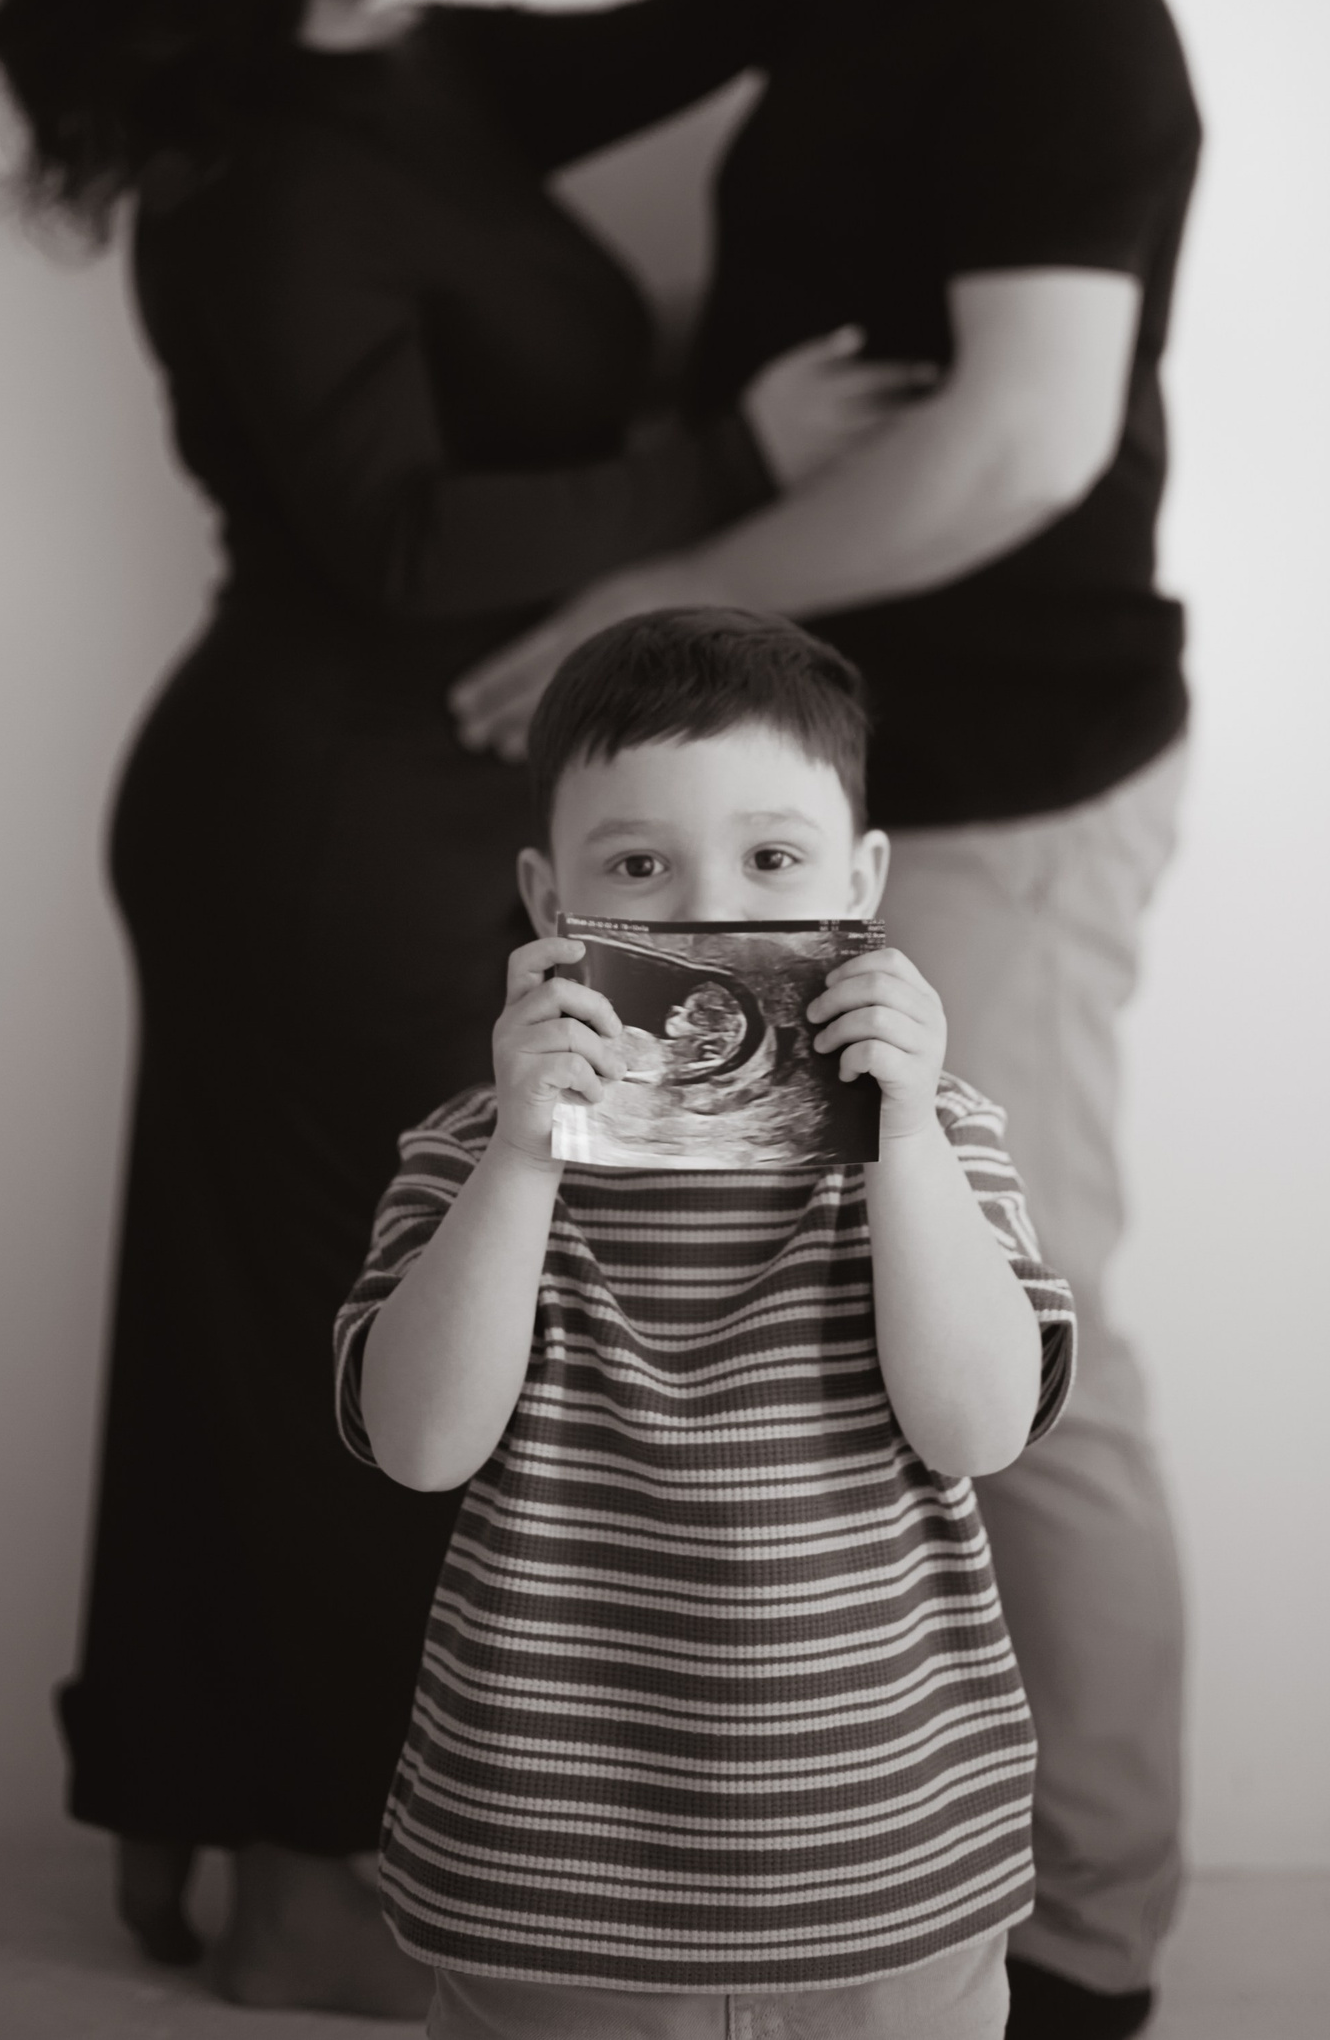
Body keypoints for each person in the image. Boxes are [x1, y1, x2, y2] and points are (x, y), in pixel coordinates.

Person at [0, 0, 915, 2014]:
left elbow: (710, 20)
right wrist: (736, 463)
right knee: (362, 1350)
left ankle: (247, 1819)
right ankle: (310, 1881)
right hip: (320, 820)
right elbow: (395, 535)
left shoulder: (417, 67)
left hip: (391, 797)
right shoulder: (265, 181)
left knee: (282, 1324)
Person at [450, 0, 1202, 2036]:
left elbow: (1018, 442)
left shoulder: (1059, 14)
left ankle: (1078, 1951)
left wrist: (634, 593)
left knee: (1012, 1338)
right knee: (761, 1317)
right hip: (814, 808)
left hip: (984, 792)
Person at [336, 608, 1075, 2038]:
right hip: (550, 1883)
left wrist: (904, 1138)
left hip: (886, 1872)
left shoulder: (941, 1142)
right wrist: (522, 1157)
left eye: (773, 859)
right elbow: (419, 1446)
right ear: (550, 900)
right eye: (638, 865)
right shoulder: (468, 1152)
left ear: (863, 881)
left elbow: (980, 1426)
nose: (703, 911)